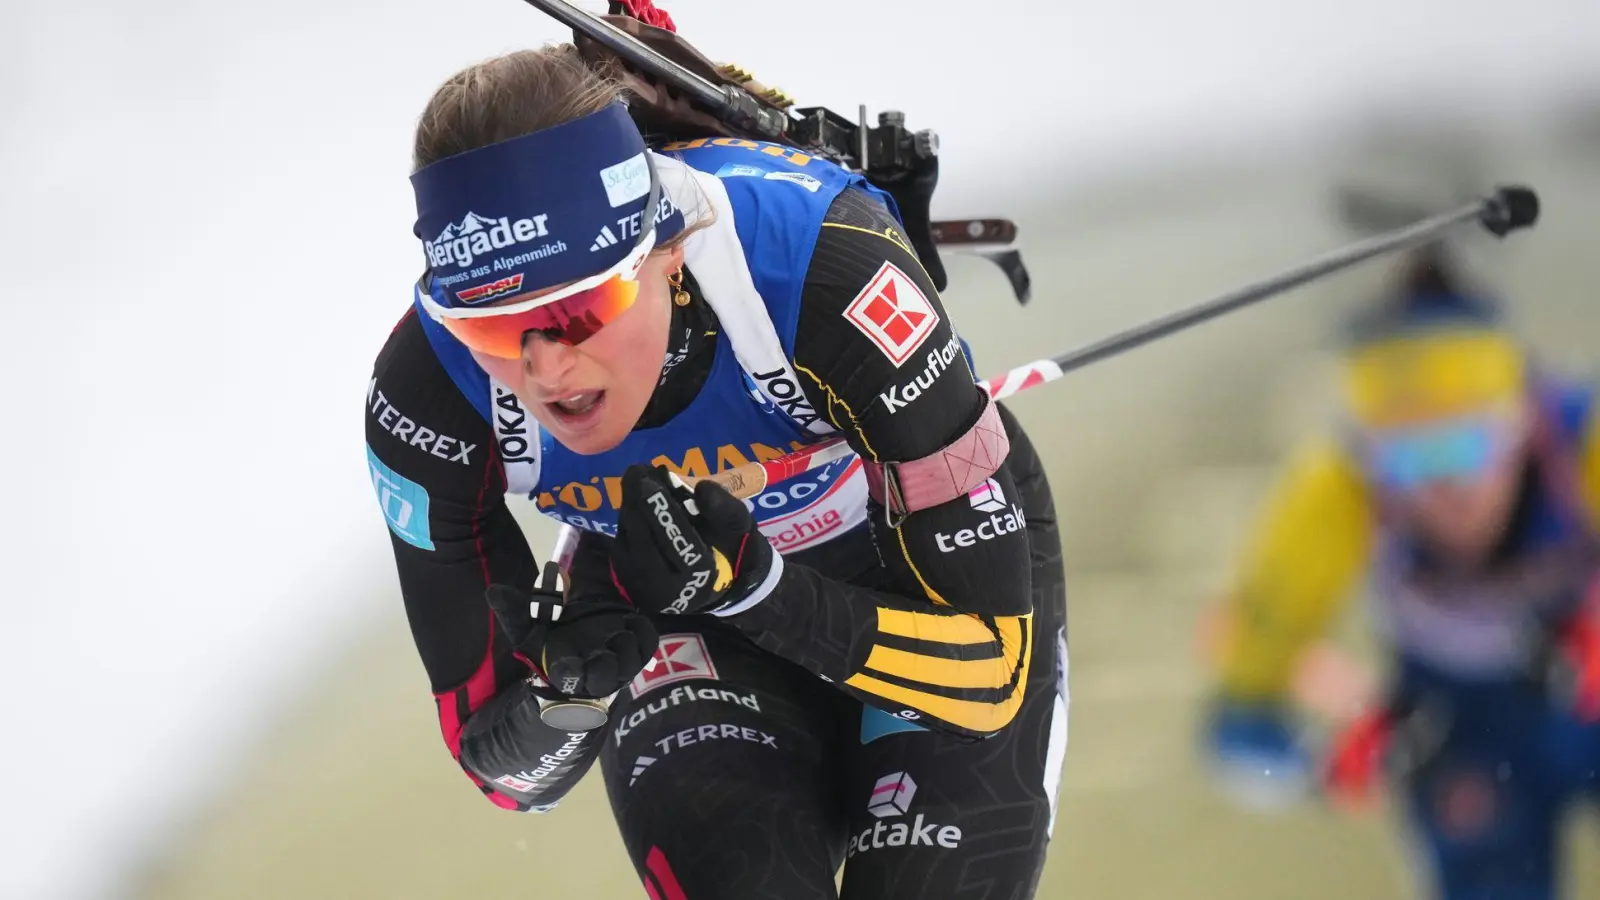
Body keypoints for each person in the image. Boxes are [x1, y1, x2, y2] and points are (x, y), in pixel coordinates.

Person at [362, 42, 1069, 900]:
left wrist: (758, 589)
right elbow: (507, 777)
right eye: (495, 328)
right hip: (680, 620)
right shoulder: (429, 391)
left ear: (668, 247)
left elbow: (989, 676)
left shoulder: (823, 269)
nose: (546, 369)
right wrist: (569, 693)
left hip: (905, 584)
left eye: (581, 308)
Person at [1199, 244, 1600, 900]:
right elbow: (1235, 730)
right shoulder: (1333, 493)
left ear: (1526, 419)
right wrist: (1324, 767)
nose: (1448, 487)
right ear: (1369, 457)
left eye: (1470, 443)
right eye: (1409, 458)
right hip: (1454, 735)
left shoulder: (1585, 441)